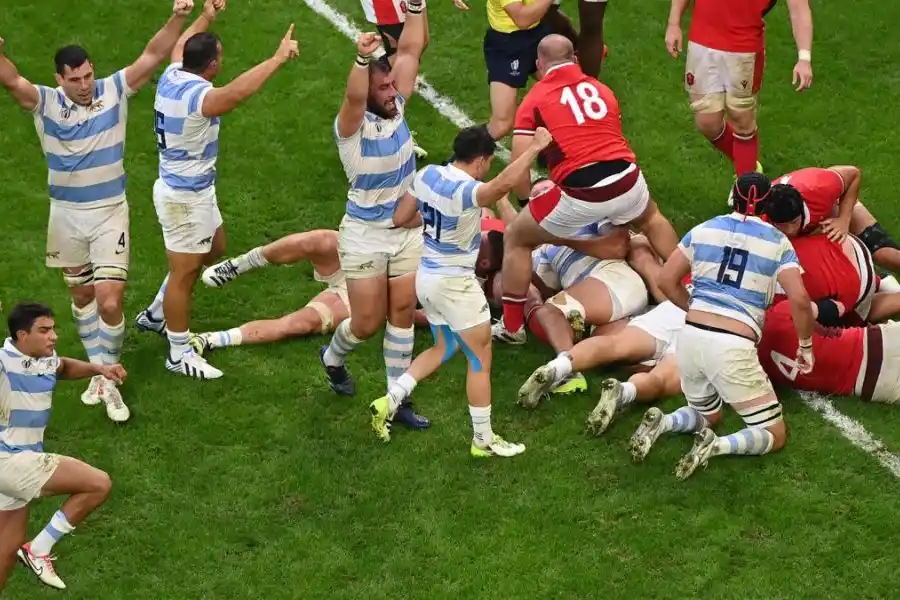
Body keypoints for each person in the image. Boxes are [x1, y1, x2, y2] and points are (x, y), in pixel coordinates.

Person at [0, 0, 199, 421]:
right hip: (66, 215)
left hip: (110, 212)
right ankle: (102, 373)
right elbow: (13, 81)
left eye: (89, 75)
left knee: (109, 302)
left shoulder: (114, 90)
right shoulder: (46, 102)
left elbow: (152, 54)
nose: (86, 85)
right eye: (76, 80)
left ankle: (105, 378)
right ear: (60, 79)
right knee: (81, 295)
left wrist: (179, 16)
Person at [136, 6, 300, 380]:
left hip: (190, 191)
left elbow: (179, 44)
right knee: (185, 273)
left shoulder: (172, 75)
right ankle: (178, 352)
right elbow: (238, 92)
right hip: (184, 199)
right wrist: (277, 58)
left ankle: (158, 313)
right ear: (210, 66)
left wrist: (207, 15)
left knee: (215, 248)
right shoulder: (201, 99)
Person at [368, 125, 550, 456]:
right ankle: (483, 440)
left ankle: (390, 399)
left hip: (427, 277)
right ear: (480, 160)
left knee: (444, 345)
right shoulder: (467, 190)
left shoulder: (426, 176)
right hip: (456, 285)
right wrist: (535, 147)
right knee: (480, 357)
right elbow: (504, 186)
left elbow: (403, 216)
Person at [495, 34, 679, 343]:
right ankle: (687, 283)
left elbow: (520, 162)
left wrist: (526, 199)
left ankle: (512, 328)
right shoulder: (602, 89)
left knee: (516, 238)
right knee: (652, 219)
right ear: (576, 58)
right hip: (627, 177)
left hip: (582, 191)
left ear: (539, 65)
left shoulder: (535, 99)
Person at [632, 172, 816, 480]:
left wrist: (692, 308)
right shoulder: (778, 242)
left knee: (708, 413)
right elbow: (799, 299)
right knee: (774, 433)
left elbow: (665, 280)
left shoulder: (704, 228)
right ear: (767, 205)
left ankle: (663, 422)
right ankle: (715, 446)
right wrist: (806, 345)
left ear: (733, 196)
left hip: (690, 337)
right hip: (734, 344)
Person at [318, 6, 429, 423]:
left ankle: (397, 399)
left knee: (402, 314)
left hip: (405, 232)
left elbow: (413, 49)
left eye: (389, 84)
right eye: (380, 87)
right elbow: (351, 95)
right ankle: (332, 357)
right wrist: (361, 60)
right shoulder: (351, 128)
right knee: (366, 323)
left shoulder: (396, 103)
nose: (390, 91)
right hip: (365, 235)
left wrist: (416, 9)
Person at [0, 303, 124, 592]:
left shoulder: (45, 358)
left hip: (18, 465)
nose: (53, 336)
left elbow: (63, 367)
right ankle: (38, 549)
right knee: (98, 484)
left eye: (53, 328)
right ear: (22, 335)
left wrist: (99, 369)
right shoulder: (4, 362)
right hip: (9, 461)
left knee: (5, 551)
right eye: (44, 331)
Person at [665, 0, 813, 177]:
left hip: (744, 48)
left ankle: (745, 186)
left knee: (742, 120)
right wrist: (673, 23)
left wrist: (804, 58)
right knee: (707, 122)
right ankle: (748, 167)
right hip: (702, 43)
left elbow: (799, 10)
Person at [519, 300, 686, 433]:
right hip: (707, 326)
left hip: (681, 305)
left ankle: (557, 367)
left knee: (615, 344)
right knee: (660, 378)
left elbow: (666, 278)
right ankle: (622, 392)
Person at [759, 300, 900, 403]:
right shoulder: (781, 312)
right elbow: (837, 307)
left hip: (874, 387)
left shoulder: (754, 362)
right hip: (877, 344)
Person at [769, 167, 900, 272]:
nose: (790, 230)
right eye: (781, 226)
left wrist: (843, 219)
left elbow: (853, 174)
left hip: (832, 206)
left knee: (883, 254)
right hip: (813, 219)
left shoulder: (819, 187)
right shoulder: (759, 217)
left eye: (794, 222)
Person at [482, 0, 555, 140]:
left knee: (566, 90)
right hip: (508, 45)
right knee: (501, 124)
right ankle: (458, 160)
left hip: (538, 32)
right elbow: (522, 19)